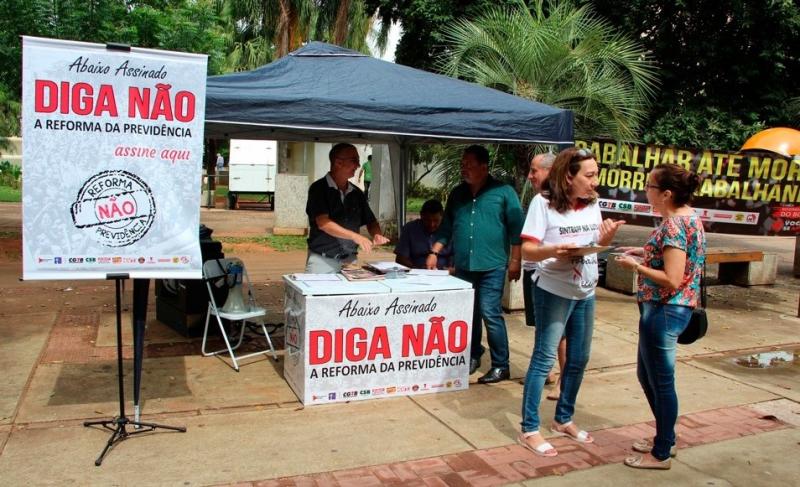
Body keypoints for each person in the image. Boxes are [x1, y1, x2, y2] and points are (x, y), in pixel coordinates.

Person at [518, 147, 624, 457]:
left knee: (578, 359)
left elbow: (594, 245)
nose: (595, 182)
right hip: (553, 290)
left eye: (596, 175)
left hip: (585, 292)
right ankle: (529, 428)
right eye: (589, 176)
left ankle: (563, 419)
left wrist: (604, 239)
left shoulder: (593, 204)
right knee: (543, 359)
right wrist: (554, 250)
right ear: (569, 177)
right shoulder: (543, 203)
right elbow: (529, 251)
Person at [615, 164, 706, 470]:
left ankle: (661, 451)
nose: (646, 192)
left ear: (666, 194)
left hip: (665, 309)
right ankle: (664, 435)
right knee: (648, 376)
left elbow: (671, 277)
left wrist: (636, 268)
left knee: (661, 382)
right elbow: (673, 255)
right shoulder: (688, 217)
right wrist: (642, 252)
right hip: (667, 309)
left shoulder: (673, 226)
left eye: (650, 187)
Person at [426, 145, 523, 384]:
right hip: (464, 265)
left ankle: (502, 365)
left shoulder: (503, 192)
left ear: (484, 167)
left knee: (490, 312)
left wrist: (515, 261)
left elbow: (516, 230)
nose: (464, 168)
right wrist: (434, 251)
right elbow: (447, 226)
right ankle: (473, 354)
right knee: (469, 312)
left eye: (469, 164)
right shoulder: (457, 194)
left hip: (493, 265)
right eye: (462, 164)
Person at [305, 143, 389, 273]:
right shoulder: (319, 189)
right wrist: (355, 236)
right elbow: (323, 223)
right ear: (338, 162)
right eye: (354, 160)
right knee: (318, 293)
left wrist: (376, 234)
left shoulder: (356, 193)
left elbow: (371, 221)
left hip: (350, 261)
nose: (358, 165)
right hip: (322, 261)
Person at [522, 153, 566, 398]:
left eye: (534, 170)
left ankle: (563, 380)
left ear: (551, 172)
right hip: (535, 272)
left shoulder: (564, 201)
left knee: (561, 333)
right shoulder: (539, 200)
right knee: (541, 326)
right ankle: (546, 368)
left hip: (555, 277)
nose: (530, 176)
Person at [395, 199, 453, 270]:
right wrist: (416, 269)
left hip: (445, 272)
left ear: (442, 216)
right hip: (416, 272)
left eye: (436, 220)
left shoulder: (450, 230)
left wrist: (449, 270)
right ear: (421, 215)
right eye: (427, 220)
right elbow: (400, 259)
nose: (432, 224)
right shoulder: (410, 229)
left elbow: (457, 257)